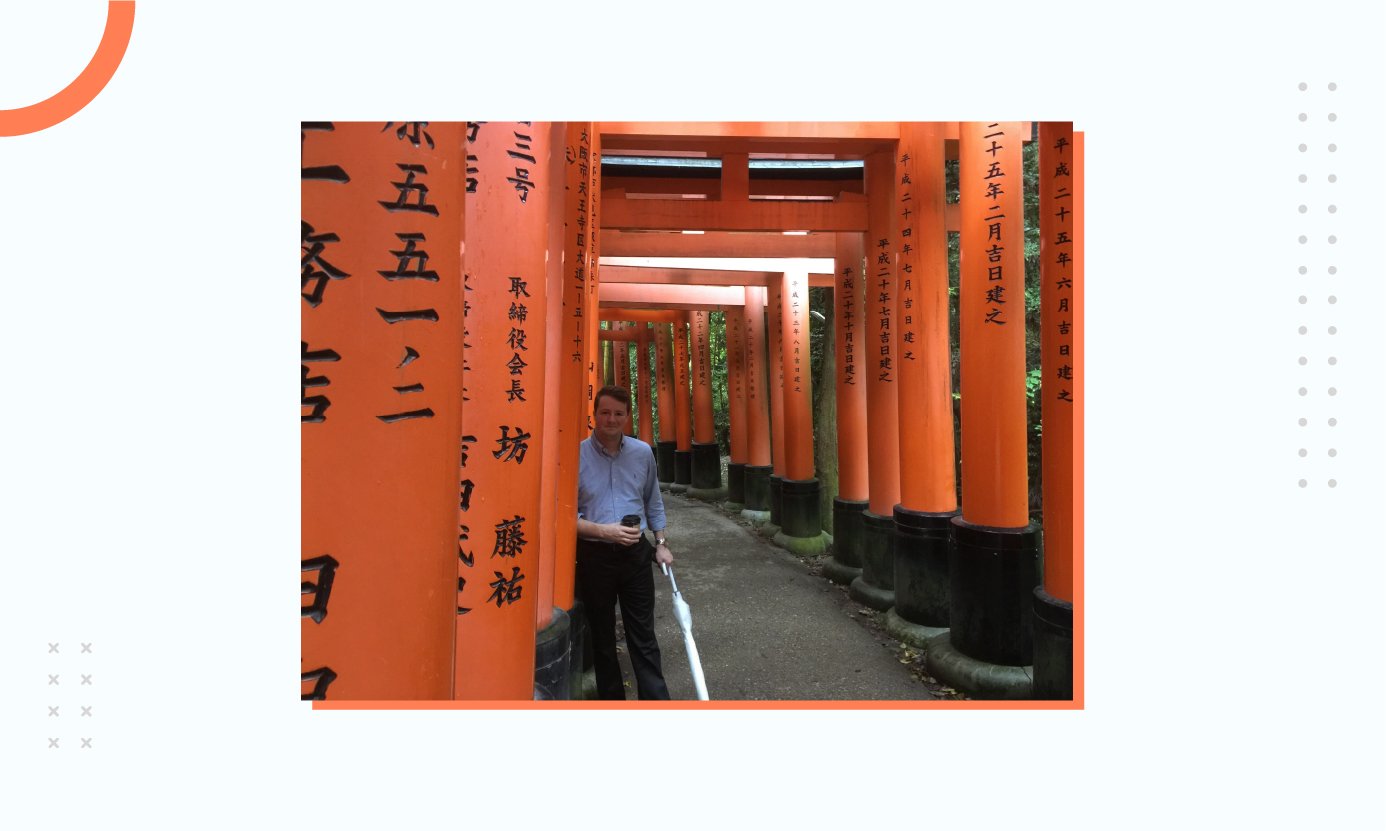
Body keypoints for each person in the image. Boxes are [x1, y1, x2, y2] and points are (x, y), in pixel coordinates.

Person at [575, 385, 674, 700]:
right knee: (602, 638)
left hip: (635, 554)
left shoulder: (642, 452)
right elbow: (563, 517)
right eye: (604, 412)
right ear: (595, 415)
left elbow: (652, 501)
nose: (611, 420)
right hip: (593, 556)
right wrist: (605, 532)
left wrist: (660, 542)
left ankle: (656, 704)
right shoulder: (576, 454)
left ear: (628, 417)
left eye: (618, 414)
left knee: (643, 635)